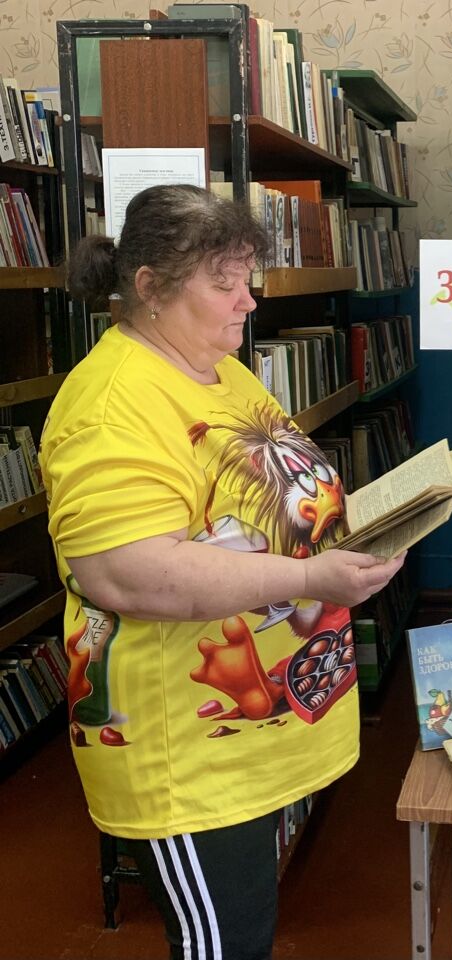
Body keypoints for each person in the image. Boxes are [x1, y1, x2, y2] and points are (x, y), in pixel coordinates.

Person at [39, 184, 405, 960]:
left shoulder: (219, 368)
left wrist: (362, 530)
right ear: (150, 288)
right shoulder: (112, 405)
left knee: (245, 931)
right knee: (222, 944)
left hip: (245, 731)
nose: (249, 300)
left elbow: (263, 491)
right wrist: (310, 581)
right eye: (224, 282)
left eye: (248, 277)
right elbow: (129, 575)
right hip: (182, 746)